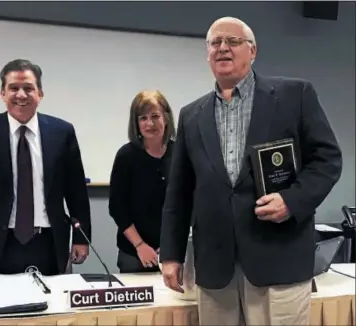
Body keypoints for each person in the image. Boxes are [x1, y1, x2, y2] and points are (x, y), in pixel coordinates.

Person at [159, 17, 342, 325]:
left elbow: (328, 158)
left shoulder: (294, 96)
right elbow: (178, 192)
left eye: (232, 41)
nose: (222, 49)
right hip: (216, 267)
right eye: (215, 43)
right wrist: (172, 254)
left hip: (279, 259)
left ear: (253, 51)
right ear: (207, 54)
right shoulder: (191, 115)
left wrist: (292, 201)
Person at [0, 59, 92, 277]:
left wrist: (82, 238)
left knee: (56, 308)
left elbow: (76, 191)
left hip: (48, 241)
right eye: (13, 88)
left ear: (40, 94)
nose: (21, 95)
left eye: (28, 88)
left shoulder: (62, 132)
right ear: (2, 94)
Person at [108, 90, 176, 273]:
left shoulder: (181, 154)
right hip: (134, 252)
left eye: (155, 116)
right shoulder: (126, 156)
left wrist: (173, 244)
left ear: (167, 118)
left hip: (175, 252)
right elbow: (117, 208)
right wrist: (140, 246)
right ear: (136, 123)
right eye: (143, 118)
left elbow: (190, 204)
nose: (150, 123)